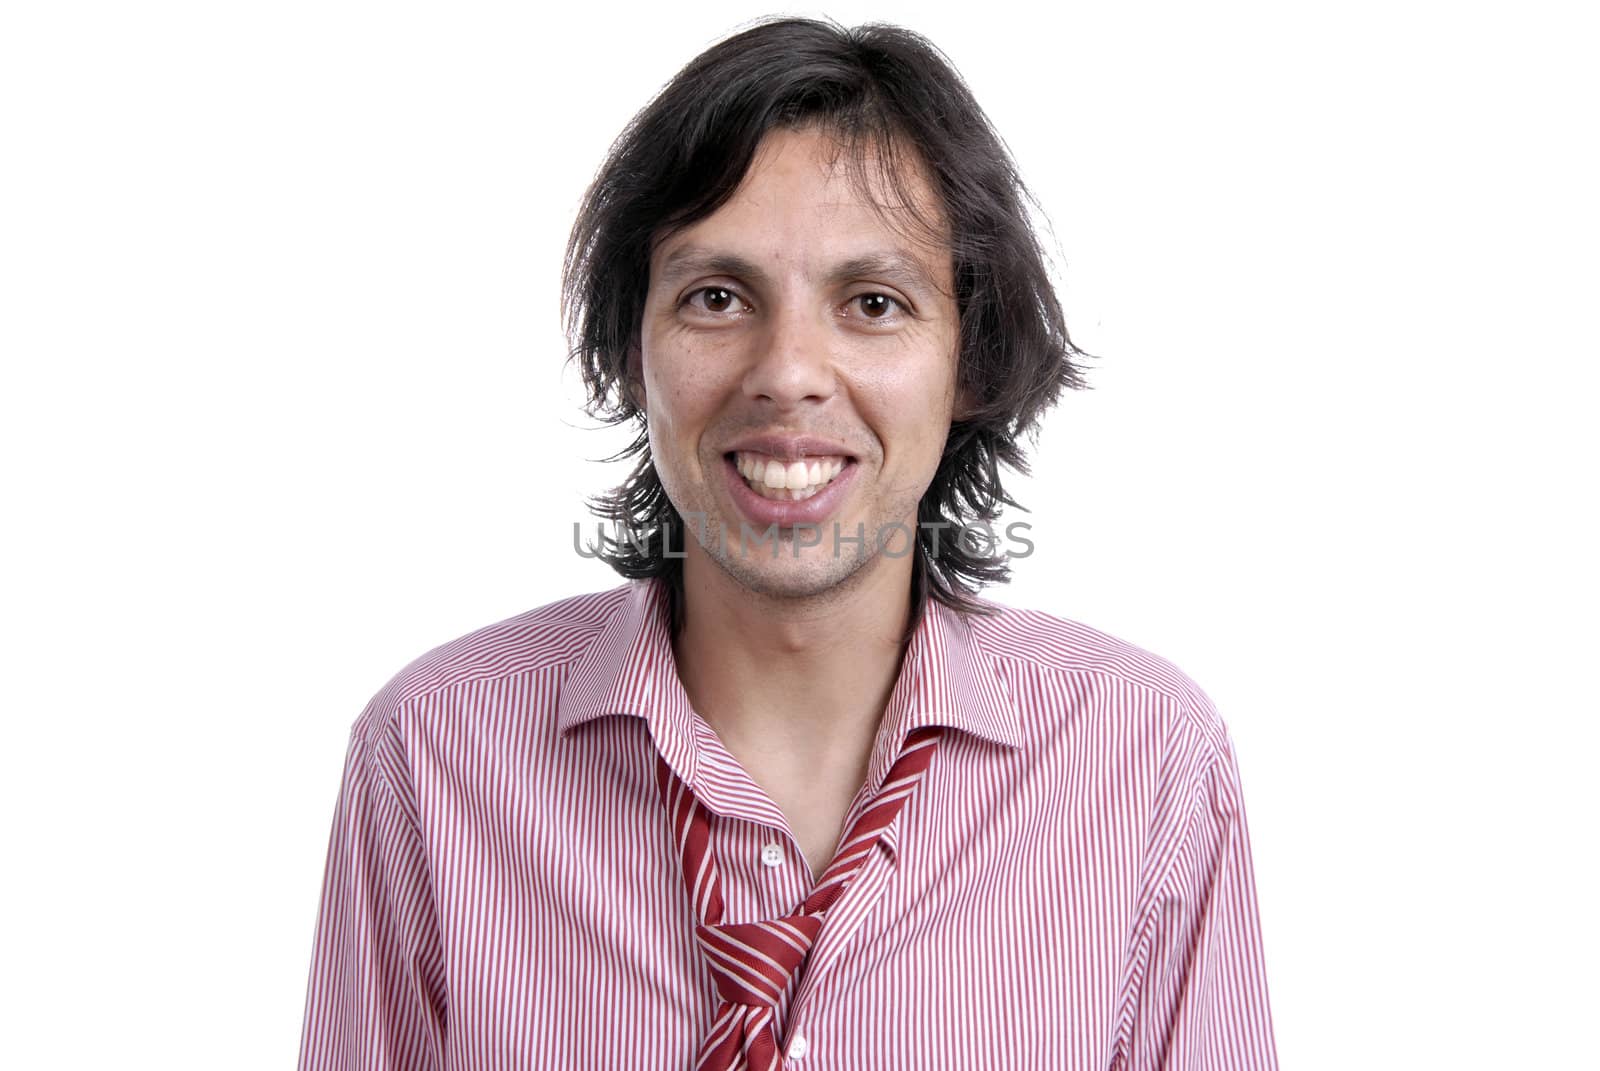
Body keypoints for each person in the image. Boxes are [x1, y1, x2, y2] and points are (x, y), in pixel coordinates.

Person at [296, 17, 1279, 1070]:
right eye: (717, 298)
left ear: (970, 361)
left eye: (872, 303)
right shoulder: (435, 755)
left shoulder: (1143, 762)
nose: (788, 372)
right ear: (631, 351)